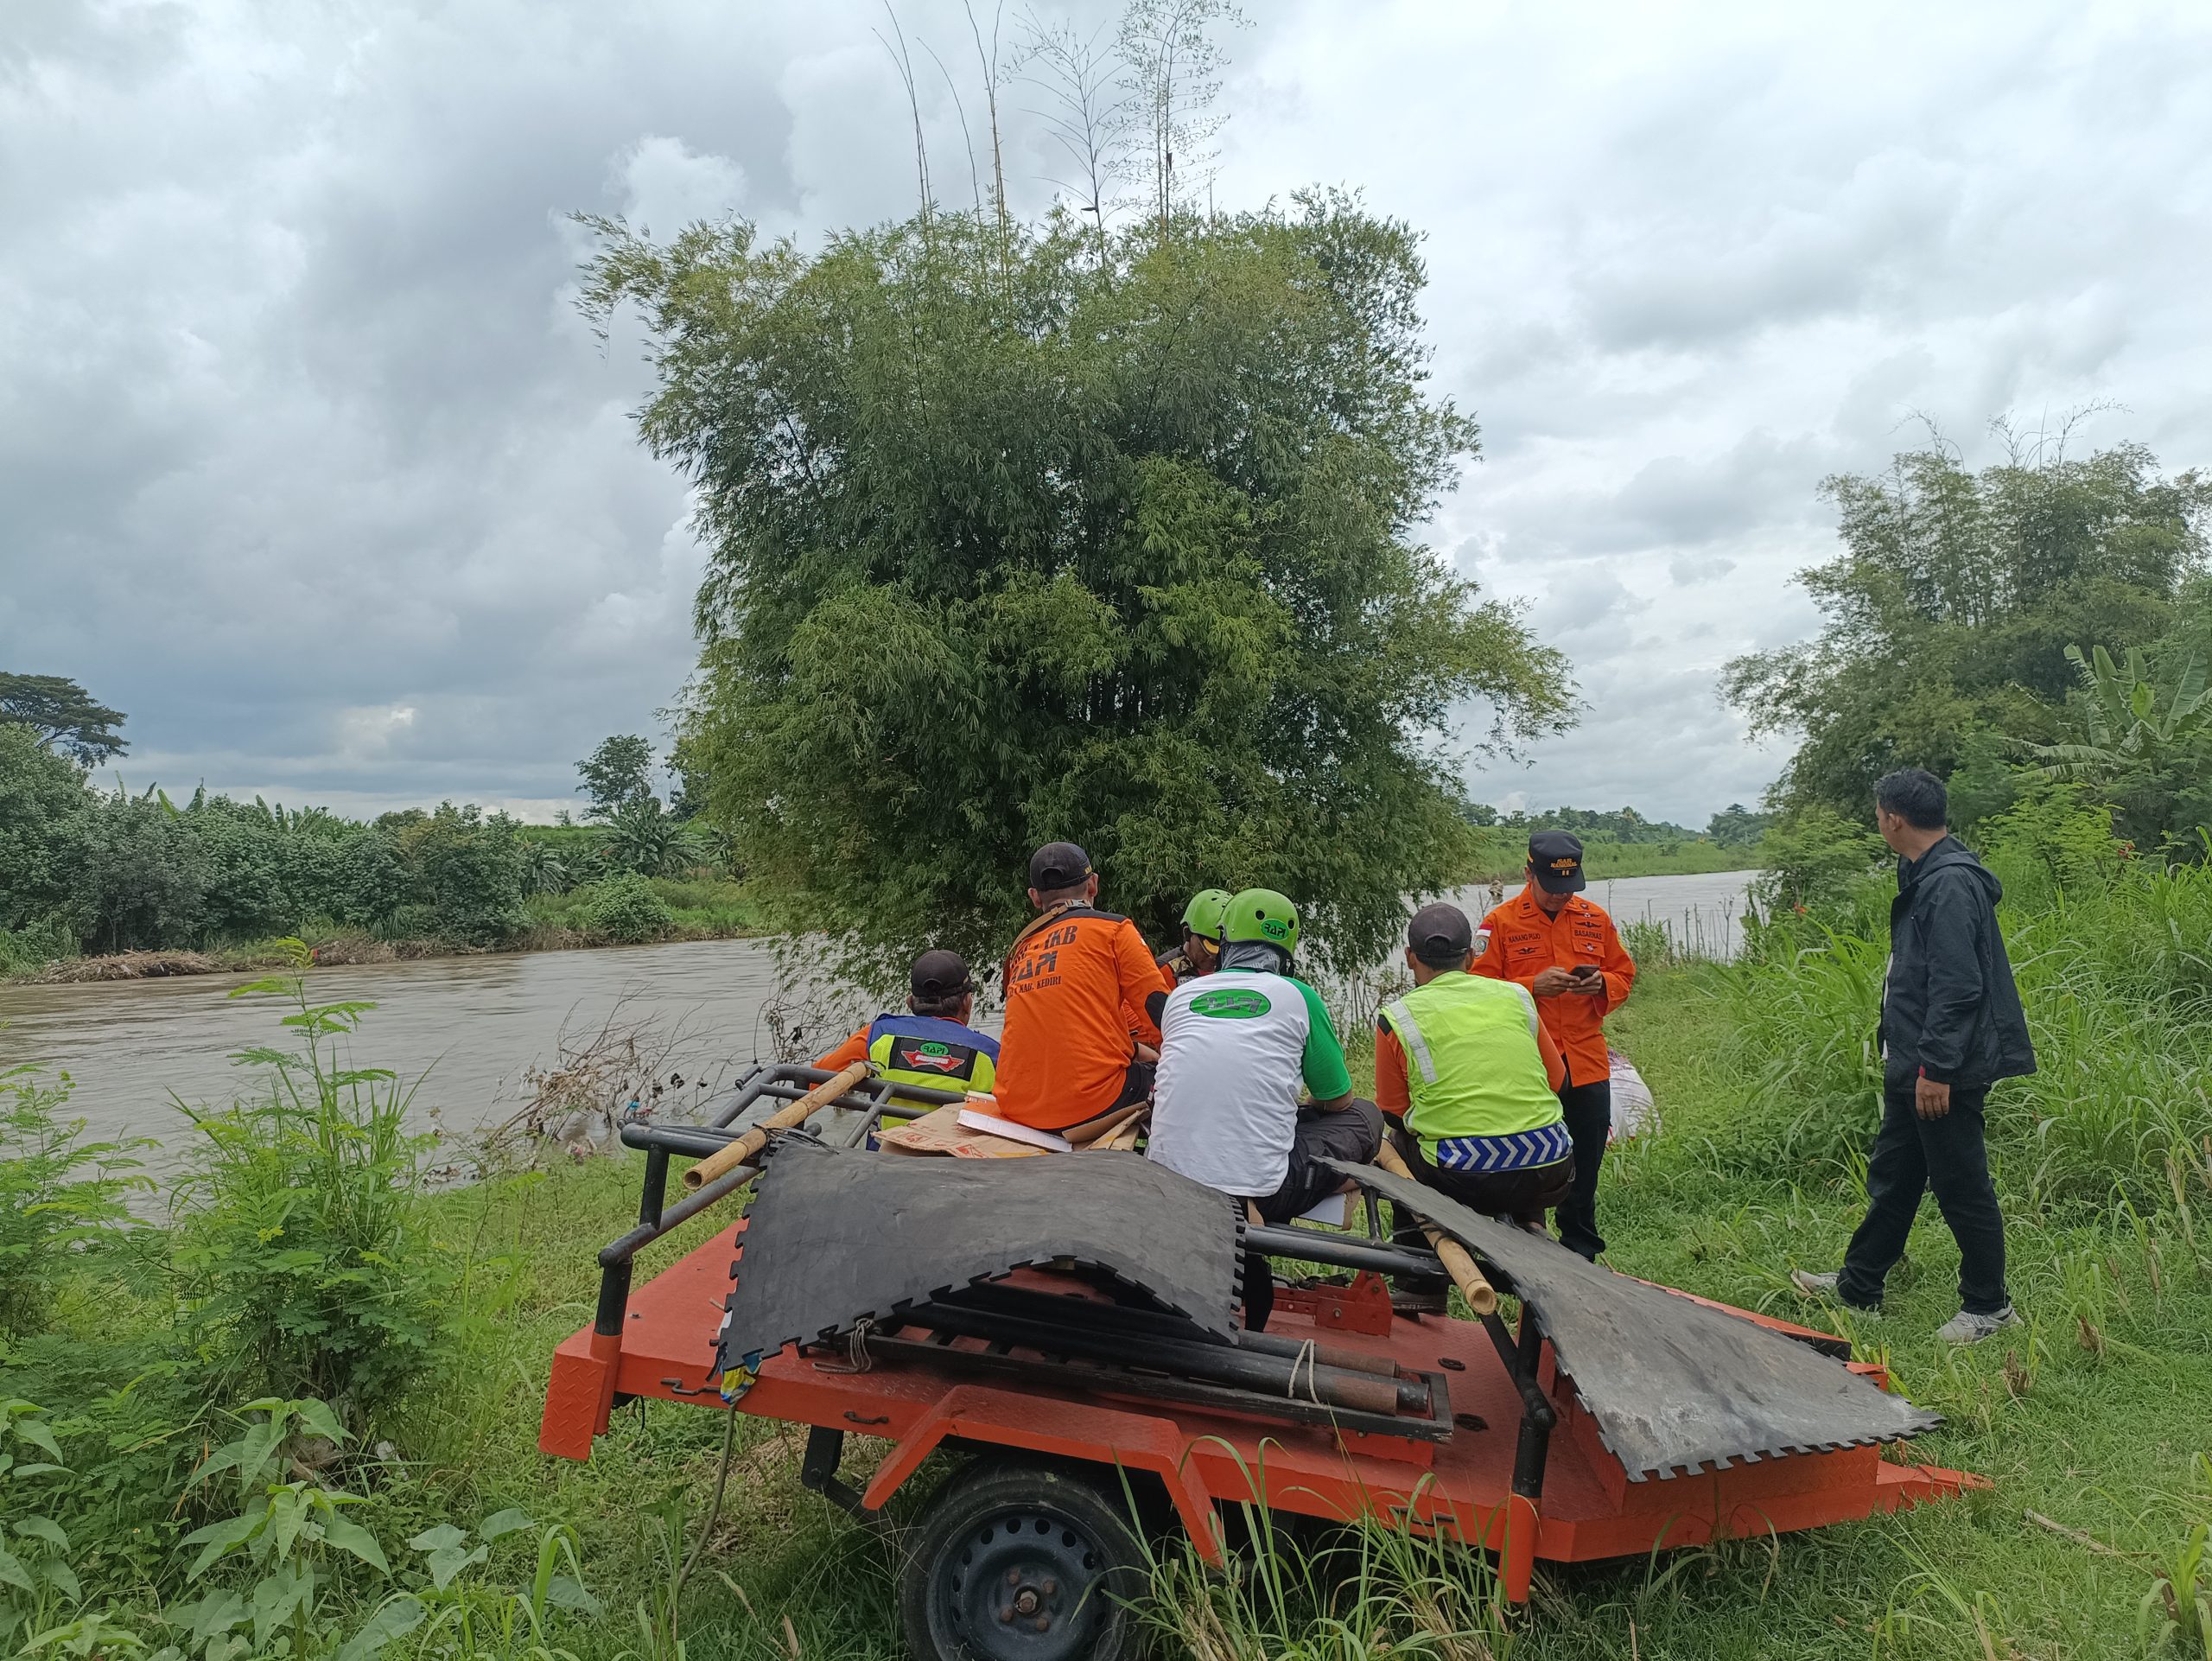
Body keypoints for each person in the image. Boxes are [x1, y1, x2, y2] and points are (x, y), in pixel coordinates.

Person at [1792, 768, 2035, 1344]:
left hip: (1943, 1065)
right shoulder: (1922, 869)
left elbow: (1959, 988)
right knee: (1896, 1174)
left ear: (1894, 818)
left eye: (1878, 814)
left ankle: (1989, 1307)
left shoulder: (1950, 884)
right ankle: (1860, 1284)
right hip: (1915, 1057)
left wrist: (1937, 1070)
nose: (1877, 822)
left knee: (1961, 1182)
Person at [1147, 888, 1382, 1329]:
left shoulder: (1181, 996)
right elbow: (1339, 1099)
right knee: (1365, 1116)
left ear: (1226, 940)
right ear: (1285, 950)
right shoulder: (1299, 996)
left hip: (1169, 1176)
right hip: (1261, 1187)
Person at [1472, 831, 1636, 1261]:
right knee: (1527, 1165)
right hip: (1528, 1066)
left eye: (1570, 887)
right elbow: (1475, 989)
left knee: (1585, 1167)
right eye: (1553, 886)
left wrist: (1602, 984)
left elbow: (1624, 974)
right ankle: (1523, 1253)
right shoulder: (1500, 924)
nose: (1563, 896)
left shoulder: (1594, 919)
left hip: (1586, 1063)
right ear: (1528, 873)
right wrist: (1531, 986)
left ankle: (1581, 1252)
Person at [1376, 903, 1573, 1231]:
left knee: (1397, 1144)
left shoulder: (1397, 1017)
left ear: (1410, 957)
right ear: (1470, 957)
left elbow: (1395, 1112)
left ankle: (1419, 1275)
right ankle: (1531, 1221)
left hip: (1461, 1176)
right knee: (1526, 1136)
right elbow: (1558, 1083)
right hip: (1551, 1168)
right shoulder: (1517, 996)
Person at [991, 841, 1173, 1136]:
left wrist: (1134, 1049)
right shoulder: (1114, 930)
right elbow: (1162, 1016)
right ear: (1093, 885)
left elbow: (1053, 1025)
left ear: (1035, 898)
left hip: (1017, 1106)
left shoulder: (1020, 948)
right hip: (1093, 1103)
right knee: (1179, 1079)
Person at [813, 948, 999, 1104]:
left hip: (882, 1147)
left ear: (910, 1002)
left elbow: (812, 1082)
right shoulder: (991, 1054)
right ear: (967, 1003)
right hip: (952, 1147)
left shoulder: (877, 1035)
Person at [1156, 888, 1232, 984]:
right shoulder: (1163, 972)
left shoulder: (1233, 971)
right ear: (1187, 933)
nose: (1214, 957)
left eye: (1223, 950)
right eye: (1206, 949)